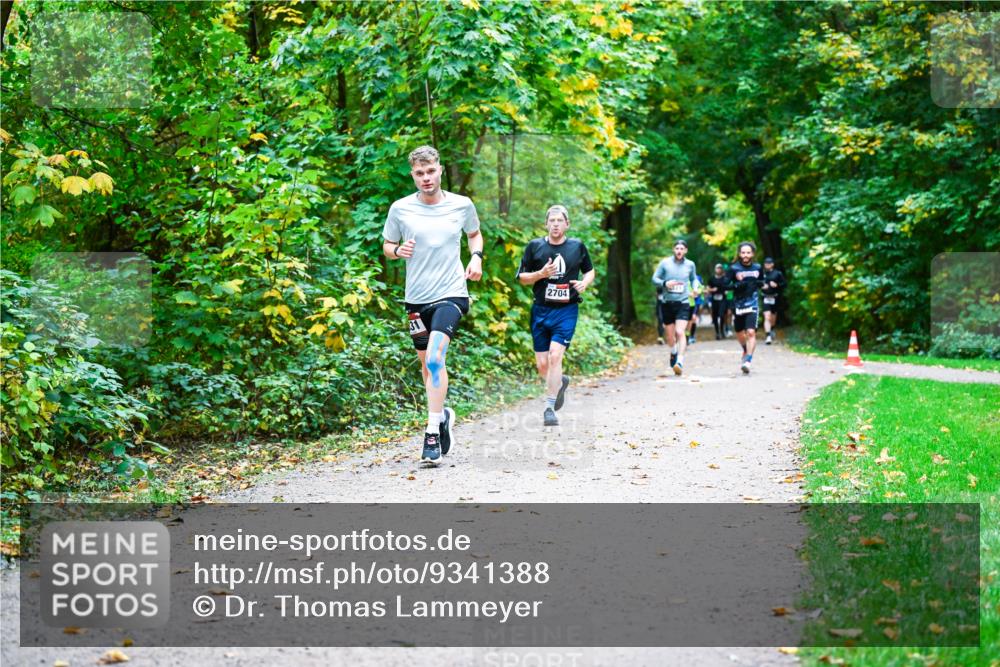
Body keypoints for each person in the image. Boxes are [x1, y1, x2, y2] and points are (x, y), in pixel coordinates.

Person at [383, 146, 484, 464]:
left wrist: (476, 257)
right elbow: (387, 245)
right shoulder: (400, 209)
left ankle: (430, 433)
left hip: (452, 294)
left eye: (431, 171)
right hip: (416, 298)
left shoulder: (461, 205)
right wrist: (398, 252)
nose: (426, 178)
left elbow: (475, 235)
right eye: (419, 173)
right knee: (427, 367)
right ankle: (442, 416)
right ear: (412, 174)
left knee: (437, 360)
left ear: (440, 170)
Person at [517, 205, 595, 427]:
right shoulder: (535, 247)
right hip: (540, 310)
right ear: (546, 223)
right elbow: (521, 277)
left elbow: (590, 270)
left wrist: (584, 283)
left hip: (566, 310)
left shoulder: (577, 247)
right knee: (543, 365)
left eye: (560, 220)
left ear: (567, 224)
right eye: (552, 220)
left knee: (554, 356)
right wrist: (540, 274)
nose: (555, 224)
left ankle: (549, 407)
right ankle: (559, 383)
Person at [652, 239, 697, 376]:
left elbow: (694, 279)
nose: (679, 251)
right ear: (673, 249)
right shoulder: (665, 263)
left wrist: (695, 288)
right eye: (677, 248)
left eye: (682, 249)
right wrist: (665, 283)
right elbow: (654, 279)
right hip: (667, 303)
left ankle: (680, 361)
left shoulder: (690, 264)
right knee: (670, 336)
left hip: (683, 302)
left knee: (680, 332)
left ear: (686, 251)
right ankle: (673, 352)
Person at [724, 242, 764, 374]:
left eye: (748, 252)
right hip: (738, 305)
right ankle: (745, 349)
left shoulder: (758, 267)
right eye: (743, 253)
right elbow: (724, 285)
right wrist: (736, 285)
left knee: (751, 332)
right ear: (739, 254)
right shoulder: (733, 268)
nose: (745, 255)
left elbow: (762, 282)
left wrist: (759, 283)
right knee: (740, 332)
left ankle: (748, 360)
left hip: (752, 304)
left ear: (752, 254)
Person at [760, 257, 787, 345]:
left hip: (775, 298)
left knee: (773, 319)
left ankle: (771, 329)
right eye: (765, 263)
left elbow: (784, 284)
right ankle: (768, 336)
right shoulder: (761, 273)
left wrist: (777, 285)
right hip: (765, 297)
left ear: (772, 264)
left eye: (768, 263)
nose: (766, 265)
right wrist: (761, 286)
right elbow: (756, 283)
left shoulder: (778, 273)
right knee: (767, 316)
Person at [707, 263, 728, 340]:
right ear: (715, 269)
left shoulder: (725, 279)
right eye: (717, 268)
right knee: (715, 317)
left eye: (720, 268)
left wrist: (727, 291)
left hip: (722, 299)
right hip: (714, 299)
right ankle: (717, 333)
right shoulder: (712, 279)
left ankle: (722, 330)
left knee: (722, 315)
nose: (718, 269)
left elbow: (728, 287)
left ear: (722, 270)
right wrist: (712, 290)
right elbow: (707, 288)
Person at [686, 273, 704, 345]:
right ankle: (682, 337)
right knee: (683, 320)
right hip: (681, 303)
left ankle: (689, 336)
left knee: (692, 319)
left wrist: (697, 292)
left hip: (693, 303)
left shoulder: (695, 278)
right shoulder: (679, 276)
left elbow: (701, 287)